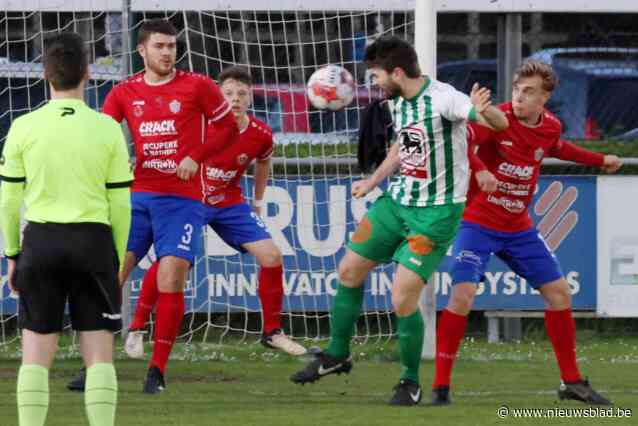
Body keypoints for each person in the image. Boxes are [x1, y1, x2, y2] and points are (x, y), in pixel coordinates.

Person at [290, 35, 509, 406]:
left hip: (435, 215)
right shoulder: (397, 102)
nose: (373, 84)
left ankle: (409, 381)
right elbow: (403, 144)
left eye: (375, 76)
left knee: (402, 297)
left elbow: (499, 123)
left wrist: (484, 110)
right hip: (396, 204)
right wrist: (374, 180)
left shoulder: (445, 99)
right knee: (348, 271)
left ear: (395, 72)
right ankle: (337, 354)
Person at [431, 60, 621, 406]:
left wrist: (598, 160)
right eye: (517, 89)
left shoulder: (550, 126)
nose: (519, 97)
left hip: (518, 226)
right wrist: (480, 169)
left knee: (560, 293)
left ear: (545, 97)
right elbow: (457, 144)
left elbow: (557, 148)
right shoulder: (495, 119)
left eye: (529, 92)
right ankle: (441, 388)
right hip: (477, 222)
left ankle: (572, 382)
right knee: (462, 295)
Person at [67, 18, 238, 394]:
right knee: (111, 276)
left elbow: (229, 129)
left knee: (171, 276)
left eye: (172, 46)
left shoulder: (198, 86)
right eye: (159, 46)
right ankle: (93, 364)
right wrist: (117, 161)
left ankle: (156, 370)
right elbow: (104, 136)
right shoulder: (125, 91)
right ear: (141, 50)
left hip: (182, 201)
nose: (167, 52)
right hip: (137, 198)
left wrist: (196, 156)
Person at [127, 66, 306, 356]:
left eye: (242, 94)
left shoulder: (260, 133)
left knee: (271, 256)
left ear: (250, 98)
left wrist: (258, 202)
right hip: (191, 201)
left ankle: (272, 331)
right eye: (229, 93)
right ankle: (137, 327)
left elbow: (263, 162)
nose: (235, 99)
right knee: (172, 263)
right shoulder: (201, 126)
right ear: (218, 97)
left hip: (228, 202)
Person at [0, 32, 132, 426]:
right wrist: (118, 258)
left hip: (41, 242)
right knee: (99, 356)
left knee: (36, 357)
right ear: (88, 73)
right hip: (93, 244)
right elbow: (121, 204)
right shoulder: (107, 128)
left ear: (45, 75)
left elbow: (7, 201)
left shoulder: (23, 126)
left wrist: (11, 255)